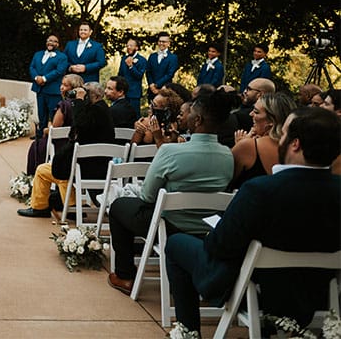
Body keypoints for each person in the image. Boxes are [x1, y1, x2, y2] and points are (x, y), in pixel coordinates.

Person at [165, 107, 340, 334]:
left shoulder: (260, 190)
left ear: (295, 144)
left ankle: (188, 330)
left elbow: (221, 247)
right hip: (318, 296)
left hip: (256, 293)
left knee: (177, 242)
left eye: (283, 134)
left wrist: (214, 235)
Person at [106, 90, 235, 296]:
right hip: (206, 226)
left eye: (190, 113)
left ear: (198, 120)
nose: (183, 116)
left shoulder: (170, 151)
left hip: (170, 224)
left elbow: (147, 196)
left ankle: (125, 274)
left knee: (118, 206)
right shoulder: (228, 154)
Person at [18, 82, 117, 218]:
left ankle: (42, 207)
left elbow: (80, 126)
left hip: (86, 168)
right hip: (101, 166)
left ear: (89, 95)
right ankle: (71, 206)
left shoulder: (93, 111)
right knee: (63, 167)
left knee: (44, 170)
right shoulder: (104, 109)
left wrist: (78, 101)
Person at [229, 92, 295, 190]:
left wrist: (240, 146)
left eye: (256, 112)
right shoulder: (296, 149)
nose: (250, 114)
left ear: (271, 121)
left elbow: (223, 182)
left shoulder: (248, 146)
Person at [24, 73, 84, 176]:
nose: (61, 87)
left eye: (65, 85)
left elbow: (54, 130)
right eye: (62, 84)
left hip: (60, 144)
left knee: (36, 145)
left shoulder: (64, 106)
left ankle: (34, 176)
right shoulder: (85, 104)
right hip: (77, 142)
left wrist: (45, 130)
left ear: (74, 89)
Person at [29, 34, 68, 129]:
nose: (51, 43)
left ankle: (53, 136)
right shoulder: (38, 54)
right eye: (49, 40)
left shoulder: (62, 57)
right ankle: (40, 135)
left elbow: (59, 71)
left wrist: (44, 79)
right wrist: (36, 78)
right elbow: (32, 67)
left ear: (58, 44)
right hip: (40, 89)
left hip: (53, 90)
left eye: (54, 41)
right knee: (41, 114)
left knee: (54, 114)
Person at [117, 38, 147, 118]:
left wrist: (131, 66)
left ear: (136, 47)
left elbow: (139, 76)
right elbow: (120, 75)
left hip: (134, 93)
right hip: (123, 93)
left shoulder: (142, 60)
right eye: (127, 46)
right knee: (122, 115)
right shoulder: (124, 58)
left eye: (131, 45)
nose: (128, 47)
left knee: (134, 115)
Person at [146, 32, 179, 101]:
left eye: (163, 42)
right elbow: (148, 72)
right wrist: (151, 85)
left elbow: (170, 74)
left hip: (165, 89)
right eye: (159, 41)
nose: (161, 43)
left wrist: (157, 85)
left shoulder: (173, 57)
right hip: (151, 90)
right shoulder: (152, 56)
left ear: (168, 44)